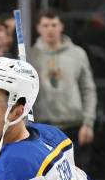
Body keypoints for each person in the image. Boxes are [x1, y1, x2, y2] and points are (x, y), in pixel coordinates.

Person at [30, 9, 97, 168]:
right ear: (38, 28)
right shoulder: (30, 55)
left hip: (73, 125)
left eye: (54, 25)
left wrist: (88, 122)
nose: (50, 29)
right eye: (45, 25)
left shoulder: (78, 53)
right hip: (42, 126)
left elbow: (88, 89)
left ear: (61, 26)